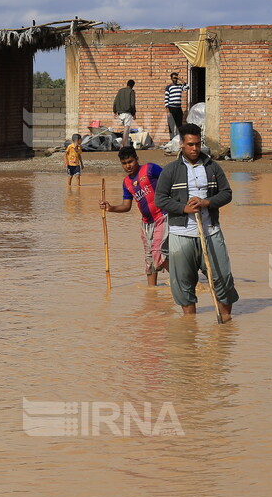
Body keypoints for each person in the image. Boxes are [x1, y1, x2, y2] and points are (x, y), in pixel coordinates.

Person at [154, 124, 239, 322]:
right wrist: (184, 208)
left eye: (198, 144)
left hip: (210, 232)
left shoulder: (212, 167)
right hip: (181, 234)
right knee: (183, 283)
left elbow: (226, 193)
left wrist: (206, 202)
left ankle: (225, 322)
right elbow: (160, 199)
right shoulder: (170, 171)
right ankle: (189, 326)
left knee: (222, 278)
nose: (195, 148)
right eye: (190, 144)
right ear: (181, 145)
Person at [100, 146, 167, 287]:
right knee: (149, 259)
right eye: (124, 163)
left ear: (137, 159)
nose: (128, 166)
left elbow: (169, 180)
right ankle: (152, 293)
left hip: (162, 216)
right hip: (146, 223)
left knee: (157, 252)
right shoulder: (126, 183)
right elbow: (126, 206)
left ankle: (182, 281)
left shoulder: (150, 169)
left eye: (130, 161)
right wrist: (110, 208)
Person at [113, 79, 137, 147]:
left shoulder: (120, 91)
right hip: (127, 112)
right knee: (126, 128)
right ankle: (123, 144)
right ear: (133, 85)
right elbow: (132, 104)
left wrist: (115, 111)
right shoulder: (131, 92)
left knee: (124, 128)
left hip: (120, 113)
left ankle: (124, 143)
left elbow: (115, 102)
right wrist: (134, 113)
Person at [164, 72, 186, 138]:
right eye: (174, 78)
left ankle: (178, 140)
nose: (175, 79)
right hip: (171, 108)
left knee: (179, 126)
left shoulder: (179, 86)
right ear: (171, 78)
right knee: (171, 125)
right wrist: (168, 111)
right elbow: (166, 100)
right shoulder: (168, 87)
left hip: (178, 109)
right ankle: (172, 140)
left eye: (176, 78)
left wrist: (180, 79)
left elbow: (187, 87)